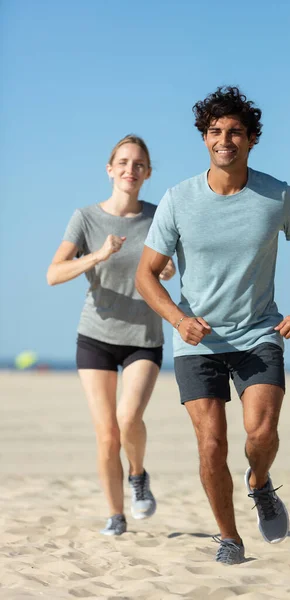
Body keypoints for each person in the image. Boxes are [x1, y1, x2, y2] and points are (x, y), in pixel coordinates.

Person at [135, 87, 290, 564]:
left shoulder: (276, 195)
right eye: (215, 132)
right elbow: (146, 274)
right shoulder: (178, 199)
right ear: (204, 138)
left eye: (235, 132)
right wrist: (180, 321)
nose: (225, 140)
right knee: (211, 443)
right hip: (197, 341)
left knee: (260, 436)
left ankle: (260, 483)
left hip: (259, 332)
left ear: (251, 139)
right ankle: (230, 537)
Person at [47, 134, 175, 536]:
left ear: (148, 173)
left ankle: (138, 473)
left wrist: (167, 270)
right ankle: (116, 515)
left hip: (143, 335)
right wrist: (98, 255)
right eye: (122, 162)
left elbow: (170, 265)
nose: (130, 170)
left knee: (128, 417)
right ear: (110, 169)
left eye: (138, 164)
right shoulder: (85, 218)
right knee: (106, 435)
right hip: (96, 335)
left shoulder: (159, 217)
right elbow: (54, 273)